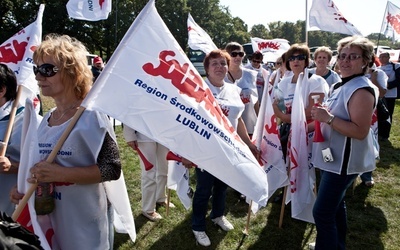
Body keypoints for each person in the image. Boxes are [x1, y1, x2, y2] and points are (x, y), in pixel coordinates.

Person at [10, 34, 121, 249]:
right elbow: (40, 167)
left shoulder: (91, 117)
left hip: (84, 223)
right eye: (36, 69)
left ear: (73, 73)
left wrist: (61, 174)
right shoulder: (47, 119)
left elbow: (112, 168)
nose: (39, 77)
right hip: (50, 221)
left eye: (47, 70)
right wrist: (23, 188)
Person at [182, 49, 258, 247]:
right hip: (205, 150)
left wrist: (248, 143)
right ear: (206, 69)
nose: (219, 67)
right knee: (203, 190)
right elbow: (187, 121)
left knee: (223, 186)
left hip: (228, 149)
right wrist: (187, 151)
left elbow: (238, 118)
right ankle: (198, 225)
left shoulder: (234, 89)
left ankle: (217, 215)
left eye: (223, 63)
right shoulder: (199, 89)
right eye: (214, 64)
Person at [311, 36, 379, 250]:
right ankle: (336, 244)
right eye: (342, 56)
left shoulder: (361, 90)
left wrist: (328, 118)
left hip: (343, 163)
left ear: (365, 61)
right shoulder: (342, 84)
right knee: (336, 206)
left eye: (353, 57)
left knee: (321, 212)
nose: (345, 61)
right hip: (331, 156)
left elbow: (359, 131)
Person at [272, 44, 329, 158]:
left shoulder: (316, 81)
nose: (295, 61)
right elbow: (276, 106)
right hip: (290, 132)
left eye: (300, 57)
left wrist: (284, 117)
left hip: (311, 132)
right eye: (292, 58)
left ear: (306, 61)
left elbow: (310, 112)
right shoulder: (283, 83)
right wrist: (283, 118)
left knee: (313, 169)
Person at [123, 125, 174, 221]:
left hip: (164, 134)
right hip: (144, 134)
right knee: (149, 174)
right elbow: (129, 110)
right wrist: (129, 135)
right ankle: (148, 209)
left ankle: (161, 198)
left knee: (164, 169)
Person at [0, 64, 25, 216]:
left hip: (10, 211)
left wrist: (13, 166)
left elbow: (43, 166)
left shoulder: (27, 122)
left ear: (1, 90)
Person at [360, 54, 387, 187]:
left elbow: (382, 93)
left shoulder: (379, 73)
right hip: (354, 113)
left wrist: (374, 79)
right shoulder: (355, 73)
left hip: (372, 114)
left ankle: (367, 175)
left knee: (370, 144)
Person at [224, 42, 259, 137]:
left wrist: (260, 120)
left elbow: (255, 101)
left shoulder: (251, 75)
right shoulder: (221, 75)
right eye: (233, 54)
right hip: (229, 126)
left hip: (249, 125)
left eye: (240, 54)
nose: (237, 57)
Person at [378, 52, 400, 141]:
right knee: (379, 113)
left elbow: (398, 81)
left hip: (390, 95)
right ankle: (379, 132)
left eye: (384, 56)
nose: (382, 58)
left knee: (388, 114)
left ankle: (385, 135)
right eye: (380, 57)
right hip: (379, 95)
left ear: (388, 57)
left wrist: (387, 85)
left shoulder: (396, 66)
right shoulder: (378, 68)